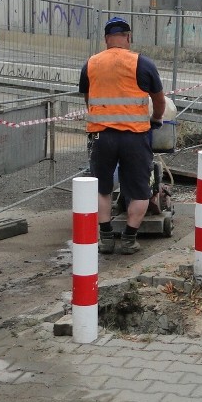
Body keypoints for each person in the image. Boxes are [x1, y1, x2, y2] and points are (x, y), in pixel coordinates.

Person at [79, 16, 166, 254]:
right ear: (128, 37)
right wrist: (156, 119)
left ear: (107, 39)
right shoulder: (143, 64)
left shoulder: (91, 64)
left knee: (102, 187)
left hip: (101, 136)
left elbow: (88, 100)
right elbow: (159, 101)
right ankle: (129, 239)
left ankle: (106, 238)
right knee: (139, 189)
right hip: (135, 137)